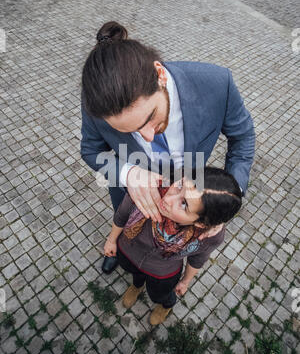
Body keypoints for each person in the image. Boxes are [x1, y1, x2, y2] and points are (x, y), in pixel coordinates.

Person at [80, 21, 255, 274]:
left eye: (149, 117)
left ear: (160, 75)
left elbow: (243, 136)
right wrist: (127, 173)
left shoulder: (217, 83)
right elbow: (90, 150)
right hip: (134, 196)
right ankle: (122, 248)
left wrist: (230, 195)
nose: (148, 137)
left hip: (191, 193)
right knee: (128, 232)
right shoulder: (94, 105)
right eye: (127, 130)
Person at [103, 167, 242, 325]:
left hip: (163, 273)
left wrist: (185, 282)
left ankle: (166, 304)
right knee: (135, 273)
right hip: (129, 252)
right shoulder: (148, 188)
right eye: (179, 185)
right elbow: (122, 215)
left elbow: (198, 259)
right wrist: (111, 240)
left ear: (201, 223)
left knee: (159, 294)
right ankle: (137, 285)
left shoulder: (209, 236)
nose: (168, 199)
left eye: (184, 204)